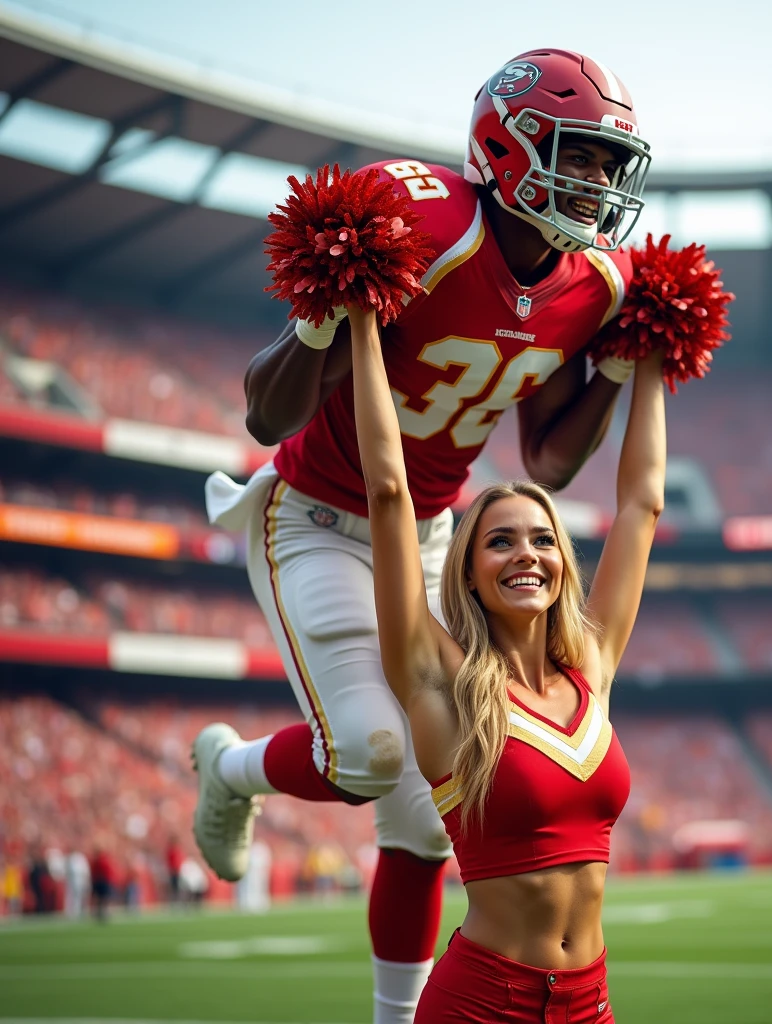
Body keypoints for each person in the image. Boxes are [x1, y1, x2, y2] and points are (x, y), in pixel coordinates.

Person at [193, 48, 652, 1024]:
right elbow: (265, 418)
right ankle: (229, 767)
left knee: (427, 816)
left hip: (438, 527)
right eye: (583, 155)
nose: (600, 184)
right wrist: (327, 320)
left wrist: (619, 366)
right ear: (510, 145)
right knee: (363, 750)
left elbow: (552, 464)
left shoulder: (595, 284)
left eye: (614, 165)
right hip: (316, 513)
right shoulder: (427, 227)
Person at [346, 296, 665, 1022]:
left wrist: (653, 350)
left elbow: (642, 504)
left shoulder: (593, 669)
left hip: (591, 1002)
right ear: (467, 571)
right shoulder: (439, 681)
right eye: (501, 541)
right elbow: (390, 493)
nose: (527, 553)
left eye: (543, 539)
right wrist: (362, 319)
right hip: (483, 1003)